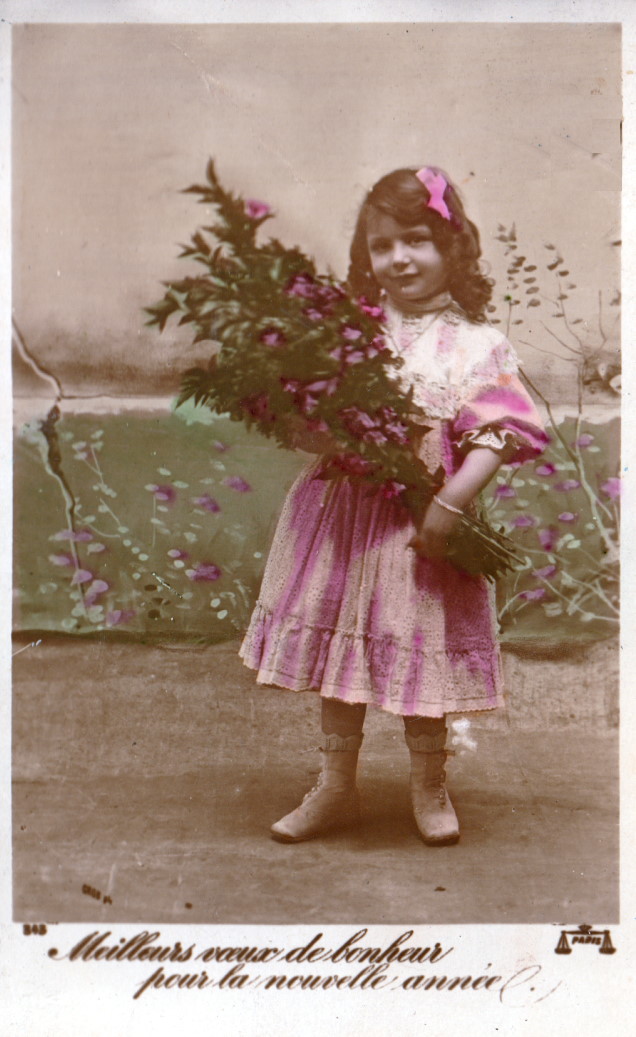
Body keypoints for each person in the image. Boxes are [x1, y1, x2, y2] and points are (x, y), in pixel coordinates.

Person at [239, 166, 548, 846]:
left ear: (451, 247)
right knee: (341, 639)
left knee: (419, 637)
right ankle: (335, 784)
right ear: (366, 254)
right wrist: (318, 419)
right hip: (344, 513)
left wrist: (451, 503)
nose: (399, 258)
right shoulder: (349, 333)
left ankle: (429, 783)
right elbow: (306, 424)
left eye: (417, 240)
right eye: (382, 246)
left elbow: (499, 432)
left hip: (420, 519)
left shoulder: (477, 343)